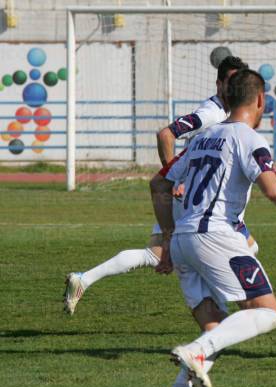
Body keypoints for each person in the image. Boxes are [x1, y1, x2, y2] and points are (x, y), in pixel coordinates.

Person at [151, 69, 276, 387]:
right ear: (260, 100)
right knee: (267, 313)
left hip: (182, 240)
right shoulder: (249, 139)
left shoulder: (201, 138)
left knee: (219, 328)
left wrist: (167, 238)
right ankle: (194, 352)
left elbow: (159, 185)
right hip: (217, 238)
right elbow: (274, 191)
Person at [63, 57, 251, 316]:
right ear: (219, 84)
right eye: (230, 82)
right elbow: (166, 134)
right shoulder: (211, 113)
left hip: (197, 193)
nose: (235, 88)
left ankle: (83, 279)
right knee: (240, 245)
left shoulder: (227, 113)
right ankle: (252, 309)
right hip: (192, 195)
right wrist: (174, 178)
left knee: (159, 253)